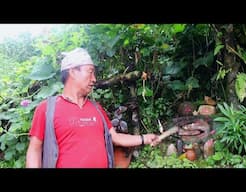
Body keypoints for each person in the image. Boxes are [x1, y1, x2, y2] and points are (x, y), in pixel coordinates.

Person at [26, 47, 159, 168]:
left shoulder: (97, 108)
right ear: (72, 72)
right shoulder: (47, 109)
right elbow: (34, 149)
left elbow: (116, 138)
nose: (94, 79)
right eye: (90, 72)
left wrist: (144, 138)